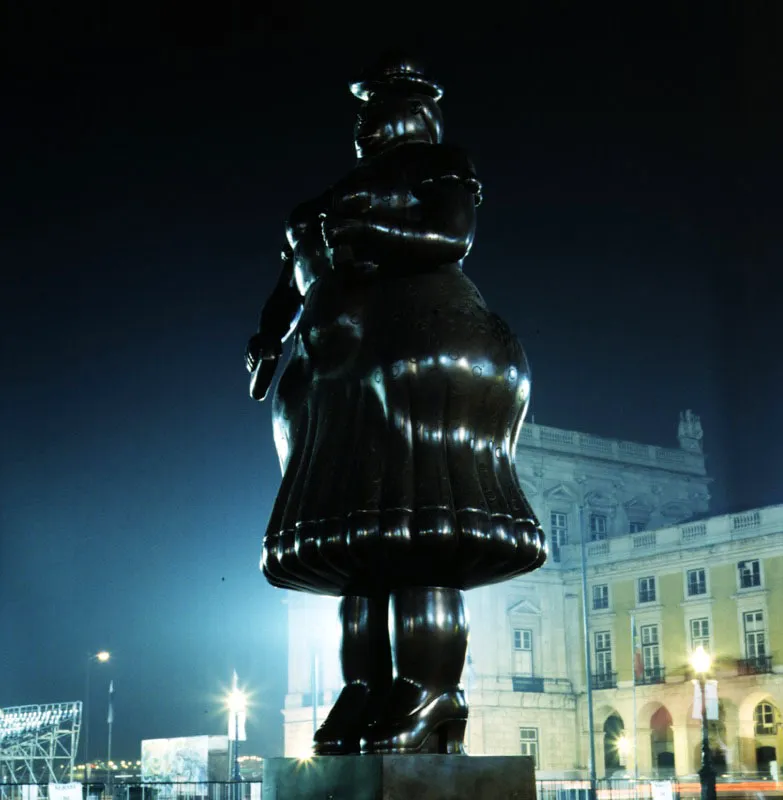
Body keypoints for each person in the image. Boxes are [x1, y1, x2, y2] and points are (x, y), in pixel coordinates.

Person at [246, 54, 546, 755]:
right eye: (363, 113)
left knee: (419, 531)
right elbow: (289, 288)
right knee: (357, 550)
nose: (366, 122)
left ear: (418, 113)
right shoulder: (326, 197)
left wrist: (368, 235)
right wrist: (266, 339)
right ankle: (363, 690)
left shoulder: (437, 163)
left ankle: (430, 689)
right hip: (333, 378)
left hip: (415, 353)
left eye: (381, 109)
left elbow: (450, 236)